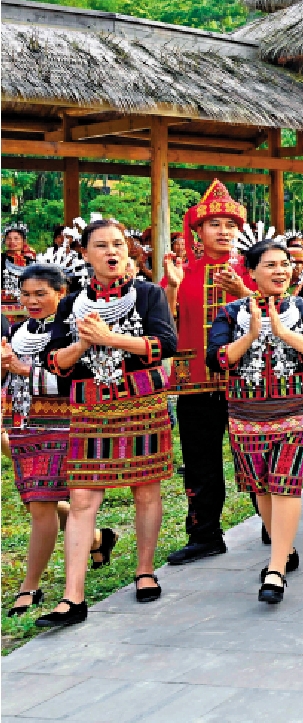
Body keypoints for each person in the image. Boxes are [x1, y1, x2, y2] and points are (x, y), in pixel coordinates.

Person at [36, 218, 178, 626]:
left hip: (140, 402)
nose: (112, 252)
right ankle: (73, 596)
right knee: (82, 499)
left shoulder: (148, 294)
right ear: (85, 254)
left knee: (146, 490)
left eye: (118, 244)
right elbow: (56, 363)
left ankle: (145, 570)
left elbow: (164, 344)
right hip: (90, 406)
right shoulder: (71, 304)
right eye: (101, 246)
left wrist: (113, 339)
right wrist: (83, 342)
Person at [207, 239, 303, 602]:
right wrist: (251, 335)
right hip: (247, 412)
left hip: (298, 409)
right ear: (251, 272)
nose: (281, 271)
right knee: (260, 486)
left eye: (285, 264)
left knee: (285, 484)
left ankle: (275, 570)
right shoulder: (231, 314)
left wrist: (282, 333)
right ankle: (285, 548)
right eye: (271, 265)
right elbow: (215, 359)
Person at [2, 265, 113, 618]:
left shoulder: (72, 330)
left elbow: (78, 381)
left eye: (40, 294)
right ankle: (97, 540)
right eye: (26, 294)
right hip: (23, 424)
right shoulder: (18, 330)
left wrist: (24, 371)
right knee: (38, 503)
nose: (31, 301)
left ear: (61, 293)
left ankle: (30, 586)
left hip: (66, 422)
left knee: (43, 505)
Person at [160, 180, 255, 567]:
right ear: (198, 231)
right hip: (194, 380)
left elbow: (275, 317)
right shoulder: (180, 274)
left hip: (244, 379)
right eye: (214, 224)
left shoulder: (252, 272)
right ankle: (204, 534)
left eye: (230, 225)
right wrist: (171, 289)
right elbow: (163, 327)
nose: (223, 231)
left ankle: (272, 523)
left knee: (254, 454)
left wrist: (244, 291)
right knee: (200, 461)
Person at [4, 221, 36, 325]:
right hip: (4, 304)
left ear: (23, 241)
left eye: (16, 238)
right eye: (9, 238)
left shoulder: (32, 262)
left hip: (28, 302)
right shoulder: (1, 259)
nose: (12, 241)